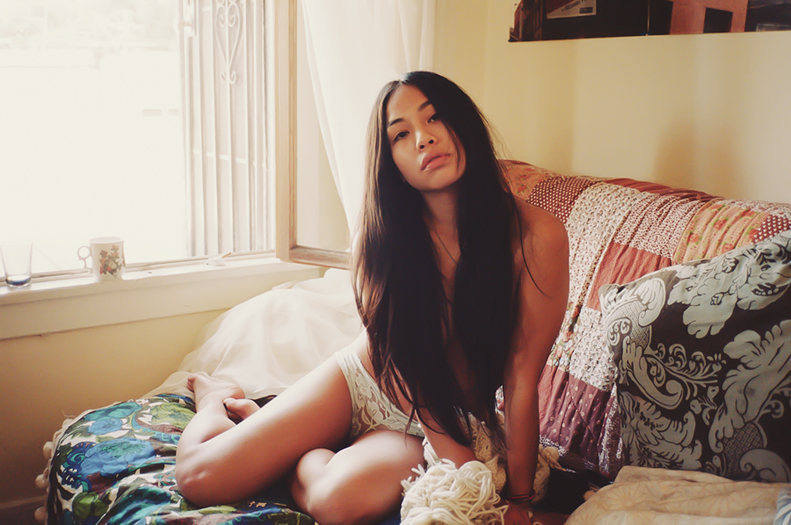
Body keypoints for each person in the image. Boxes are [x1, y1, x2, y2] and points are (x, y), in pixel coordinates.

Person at [175, 71, 569, 525]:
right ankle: (218, 397)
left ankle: (302, 453)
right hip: (365, 381)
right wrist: (458, 462)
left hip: (446, 417)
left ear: (464, 123)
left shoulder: (537, 237)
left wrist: (518, 501)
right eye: (401, 134)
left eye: (434, 117)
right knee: (200, 476)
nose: (423, 139)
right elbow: (409, 363)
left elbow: (521, 378)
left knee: (336, 502)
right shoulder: (384, 236)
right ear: (392, 162)